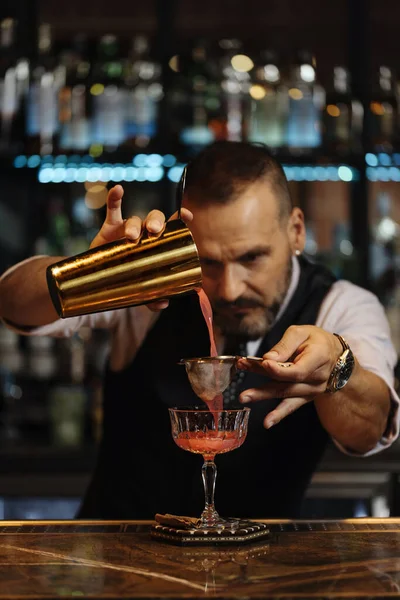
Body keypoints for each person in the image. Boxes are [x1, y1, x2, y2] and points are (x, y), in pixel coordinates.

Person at [0, 141, 399, 520]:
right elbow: (12, 302)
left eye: (252, 258)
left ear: (296, 231)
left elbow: (370, 430)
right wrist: (92, 274)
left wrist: (337, 368)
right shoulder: (150, 290)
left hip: (263, 577)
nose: (229, 288)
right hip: (116, 566)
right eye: (206, 262)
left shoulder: (341, 305)